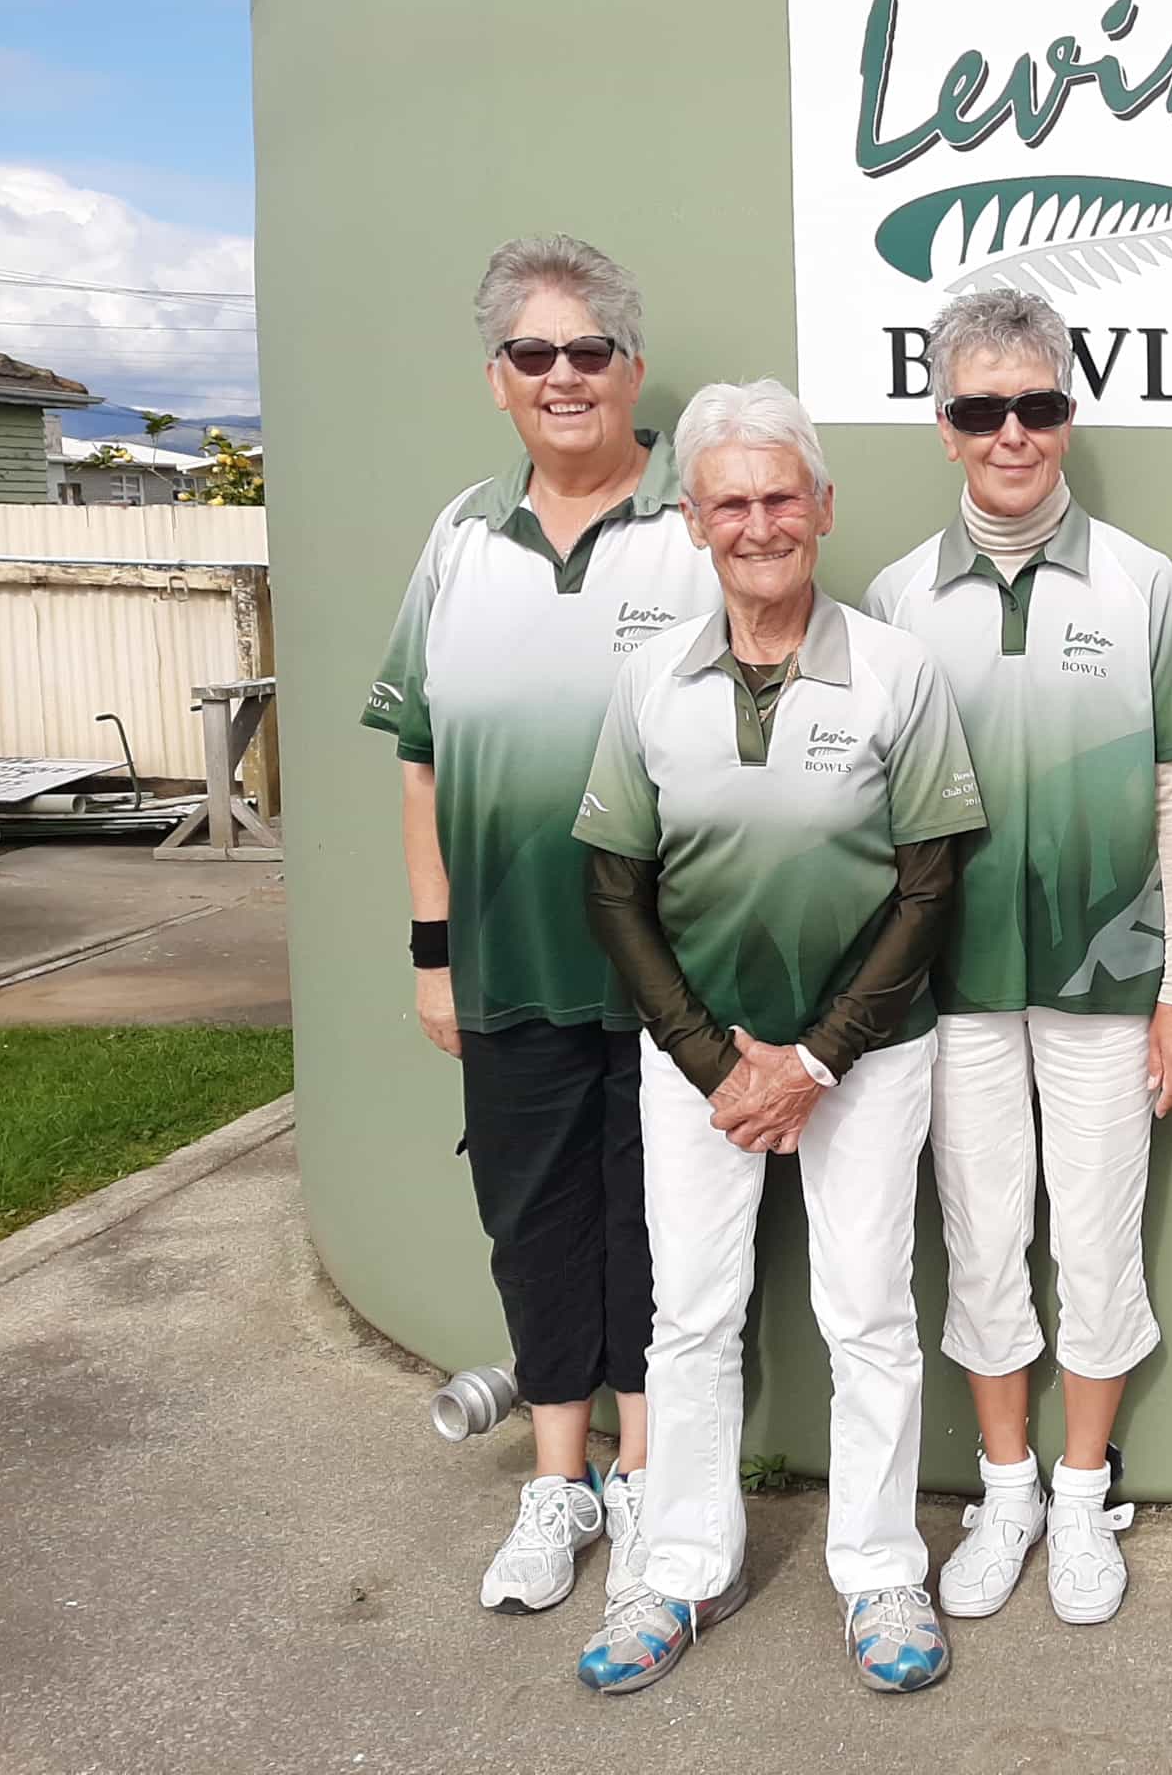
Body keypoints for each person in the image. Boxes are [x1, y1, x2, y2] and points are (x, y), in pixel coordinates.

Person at [568, 380, 986, 1694]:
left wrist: (811, 1061)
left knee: (868, 1314)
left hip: (866, 1053)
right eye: (731, 503)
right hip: (697, 1058)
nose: (759, 524)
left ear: (824, 507)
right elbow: (614, 891)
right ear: (695, 522)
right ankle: (684, 1568)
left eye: (781, 497)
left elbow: (930, 889)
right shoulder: (650, 679)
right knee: (691, 1316)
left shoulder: (899, 673)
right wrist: (718, 1063)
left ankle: (879, 1573)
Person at [362, 235, 718, 1616]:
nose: (563, 376)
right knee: (532, 1225)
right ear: (496, 379)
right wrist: (433, 954)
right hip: (505, 963)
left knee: (655, 1232)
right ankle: (558, 1482)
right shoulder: (460, 539)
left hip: (669, 973)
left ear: (631, 368)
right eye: (532, 353)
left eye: (588, 351)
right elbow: (421, 765)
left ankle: (643, 1478)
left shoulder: (698, 528)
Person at [862, 287, 1172, 1626]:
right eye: (981, 409)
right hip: (950, 984)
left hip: (1107, 980)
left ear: (1068, 414)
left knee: (1101, 1237)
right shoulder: (897, 597)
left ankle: (1081, 1494)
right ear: (944, 425)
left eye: (1037, 405)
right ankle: (1004, 1487)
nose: (1010, 433)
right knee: (982, 1236)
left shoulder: (1143, 584)